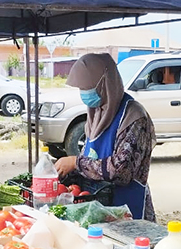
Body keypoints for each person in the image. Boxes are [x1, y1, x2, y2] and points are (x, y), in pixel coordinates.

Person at [54, 53, 157, 221]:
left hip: (127, 208)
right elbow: (91, 156)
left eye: (87, 88)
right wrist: (65, 173)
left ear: (105, 84)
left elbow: (121, 171)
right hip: (98, 207)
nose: (84, 93)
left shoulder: (133, 117)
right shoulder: (96, 114)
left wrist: (75, 162)